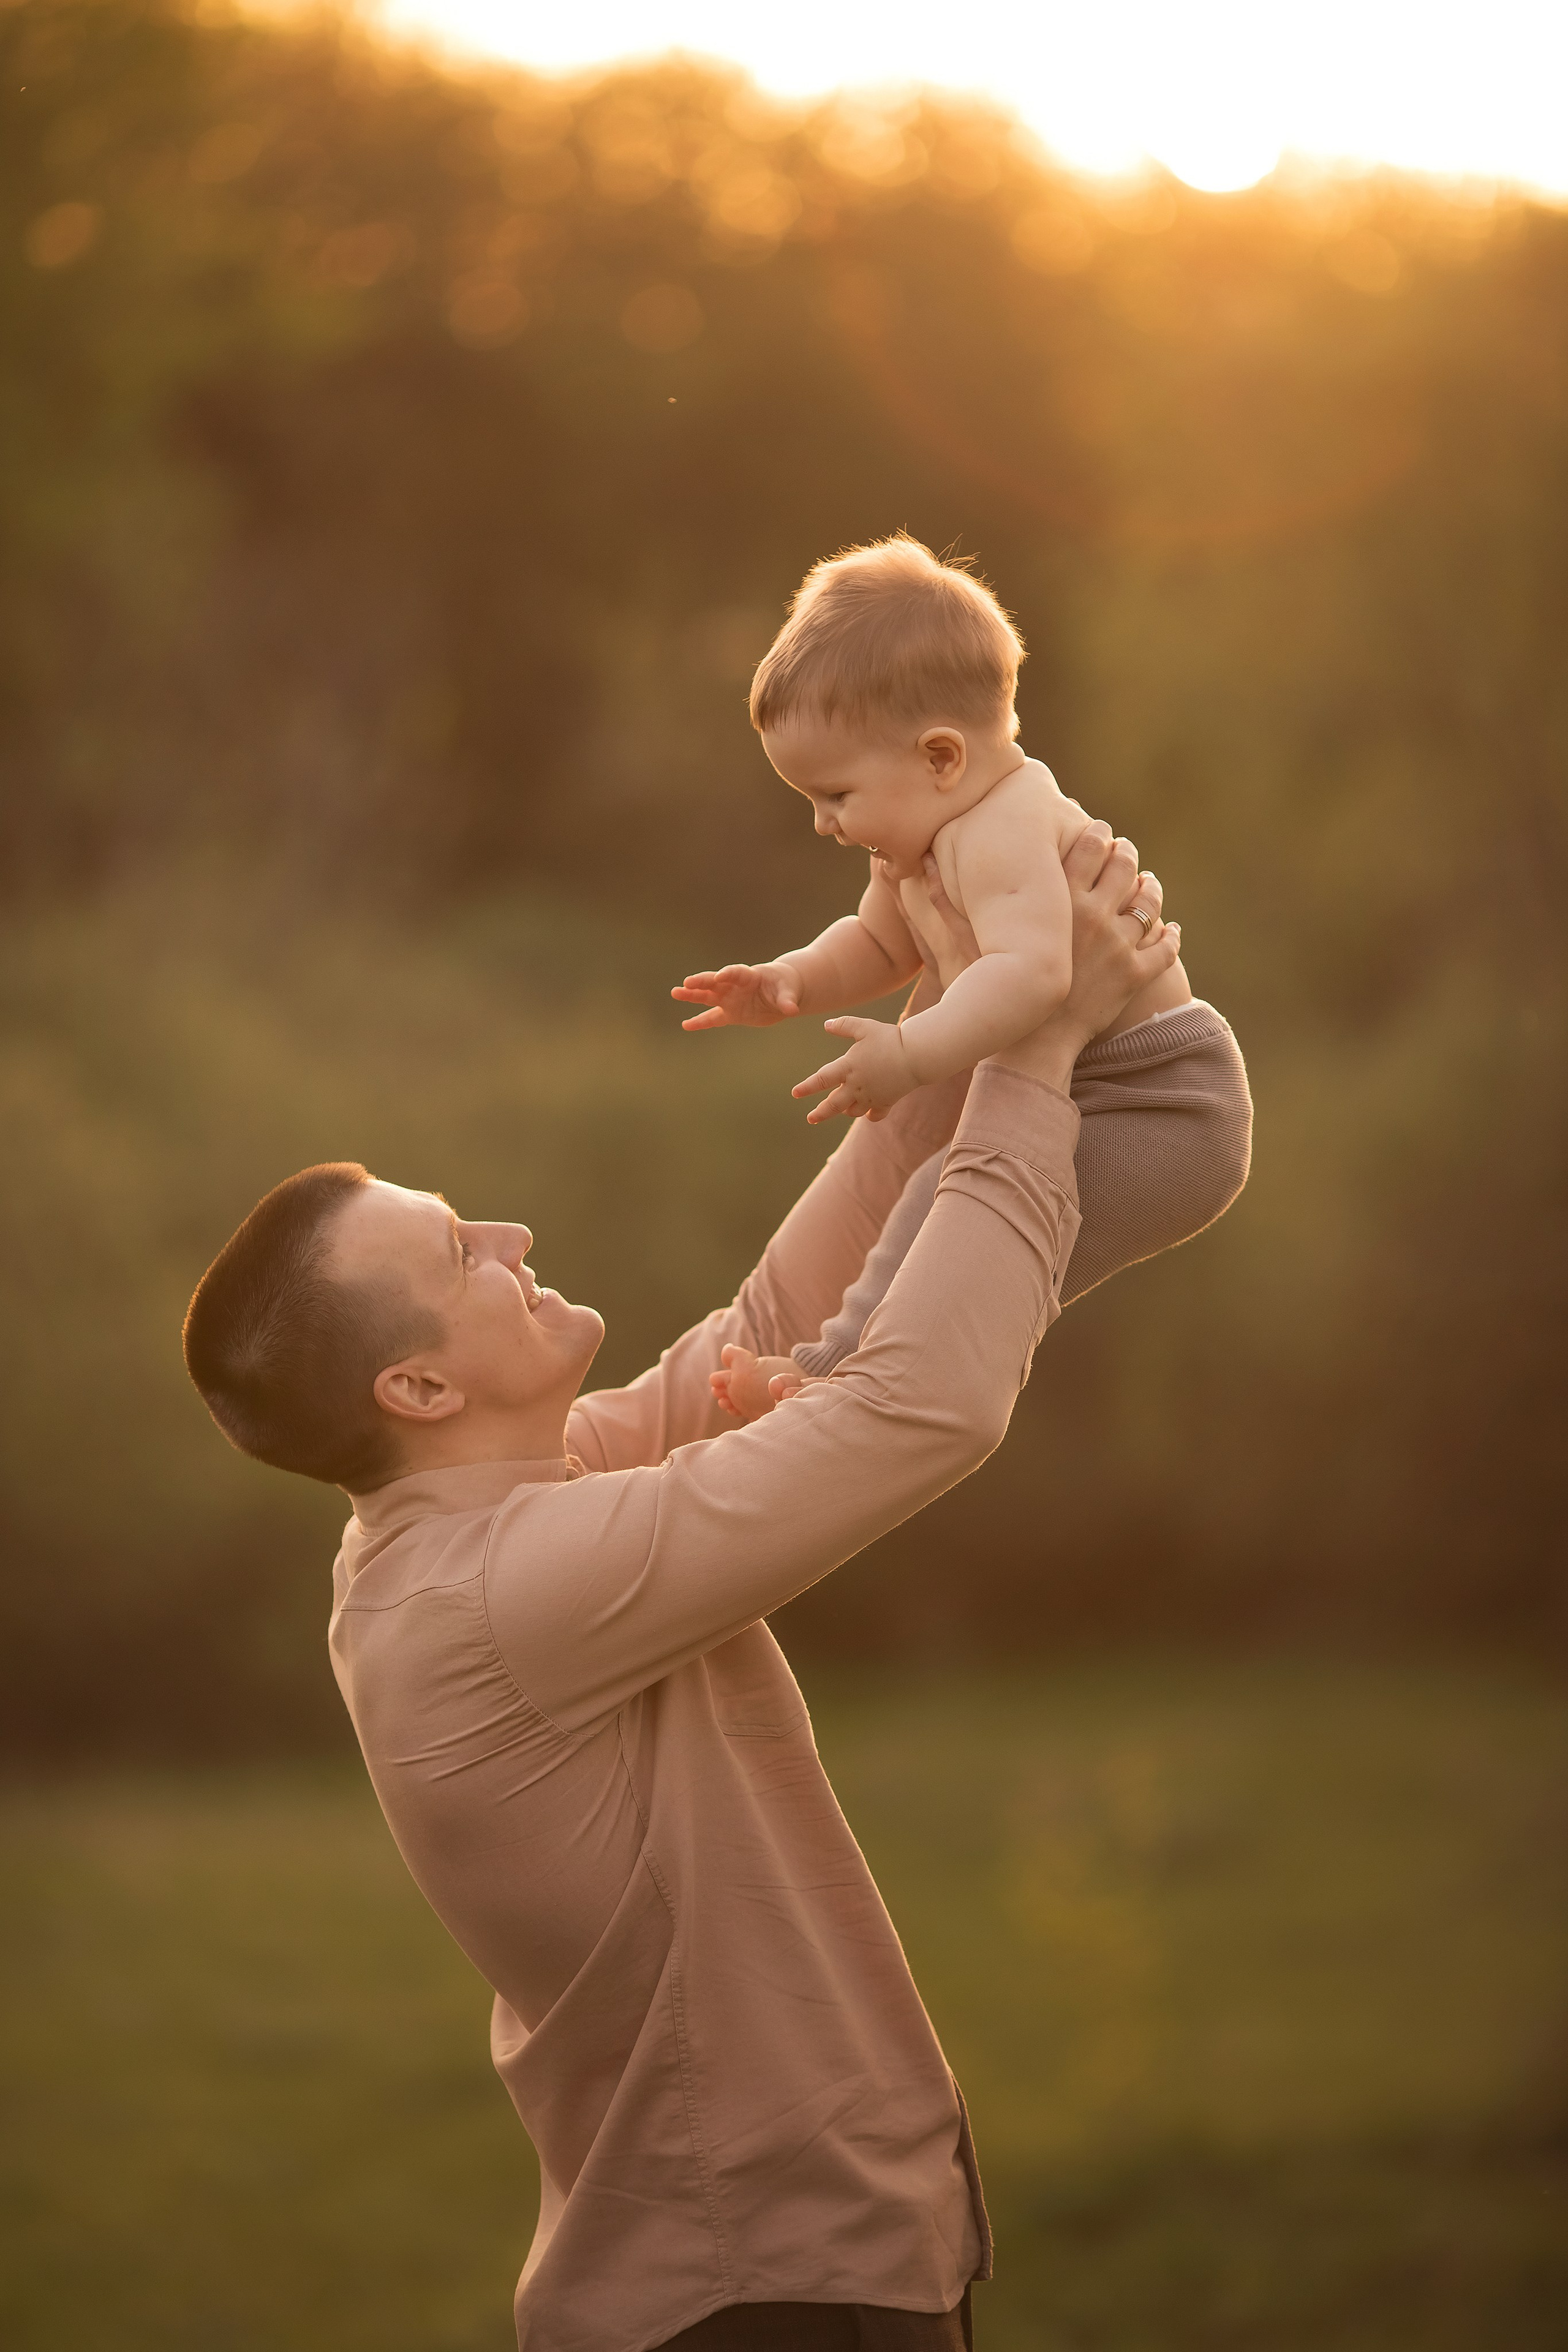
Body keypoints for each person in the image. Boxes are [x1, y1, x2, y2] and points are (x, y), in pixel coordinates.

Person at [181, 831, 1235, 2352]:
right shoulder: (499, 1592)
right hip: (763, 2302)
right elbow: (914, 1407)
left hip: (775, 2273)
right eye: (460, 1250)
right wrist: (1044, 1052)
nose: (513, 1236)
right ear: (414, 1383)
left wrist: (974, 994)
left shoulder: (486, 1509)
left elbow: (772, 1324)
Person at [672, 536, 1193, 1126]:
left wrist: (909, 1056)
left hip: (1161, 1095)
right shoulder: (914, 849)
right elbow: (878, 944)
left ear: (941, 758)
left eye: (837, 796)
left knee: (950, 1201)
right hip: (1083, 1095)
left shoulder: (1004, 826)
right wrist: (794, 977)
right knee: (932, 1199)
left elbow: (1033, 971)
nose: (823, 824)